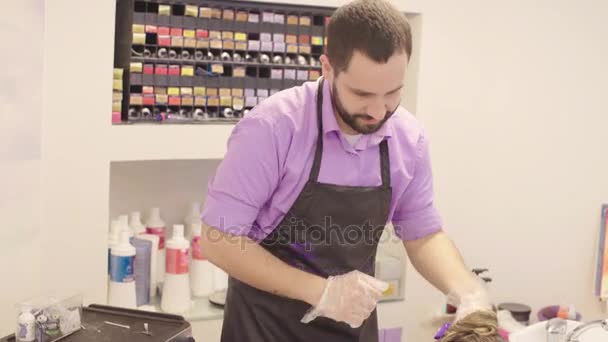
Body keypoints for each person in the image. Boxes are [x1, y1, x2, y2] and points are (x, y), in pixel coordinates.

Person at [199, 0, 493, 341]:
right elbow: (218, 241)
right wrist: (322, 292)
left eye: (393, 92)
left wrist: (467, 291)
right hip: (263, 329)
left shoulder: (408, 139)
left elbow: (423, 233)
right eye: (362, 93)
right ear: (327, 68)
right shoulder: (274, 128)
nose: (378, 110)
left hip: (352, 331)